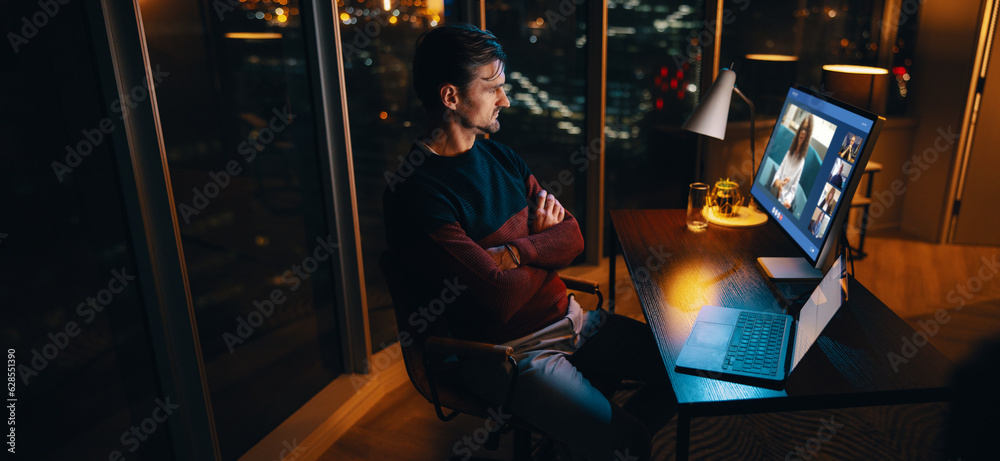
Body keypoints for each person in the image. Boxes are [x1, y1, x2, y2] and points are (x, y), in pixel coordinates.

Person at [383, 24, 672, 460]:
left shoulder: (500, 155)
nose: (507, 99)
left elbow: (572, 236)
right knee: (630, 443)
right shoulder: (416, 191)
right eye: (494, 88)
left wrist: (518, 250)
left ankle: (574, 445)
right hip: (510, 355)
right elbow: (497, 300)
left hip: (573, 321)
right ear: (450, 97)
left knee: (682, 375)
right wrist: (542, 242)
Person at [770, 114, 814, 210]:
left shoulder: (801, 162)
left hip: (783, 203)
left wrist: (787, 201)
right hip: (774, 194)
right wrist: (779, 184)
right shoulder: (789, 153)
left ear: (808, 135)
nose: (802, 132)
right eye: (802, 128)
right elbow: (778, 174)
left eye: (806, 130)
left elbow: (793, 190)